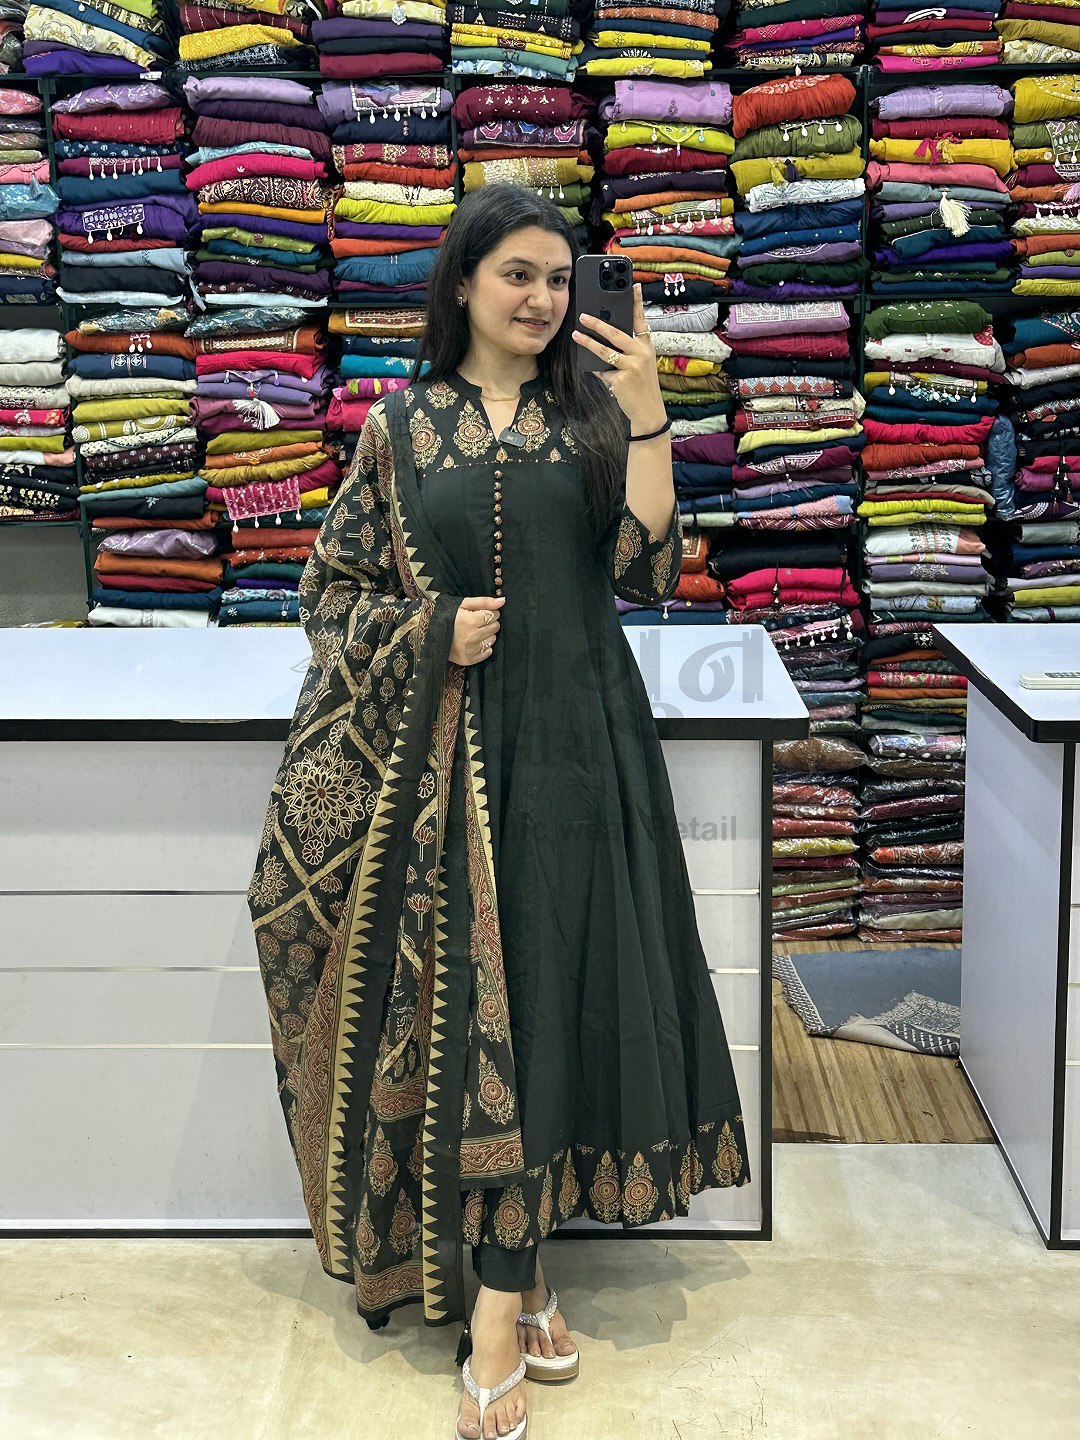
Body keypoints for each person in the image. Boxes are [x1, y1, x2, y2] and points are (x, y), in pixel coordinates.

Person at [247, 183, 751, 1440]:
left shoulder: (594, 419)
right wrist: (432, 630)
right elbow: (327, 596)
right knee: (479, 1007)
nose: (542, 298)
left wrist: (650, 417)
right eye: (518, 274)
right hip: (450, 770)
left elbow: (645, 570)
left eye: (558, 278)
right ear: (464, 282)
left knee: (559, 993)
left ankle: (510, 1286)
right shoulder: (399, 427)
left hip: (583, 747)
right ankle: (504, 1296)